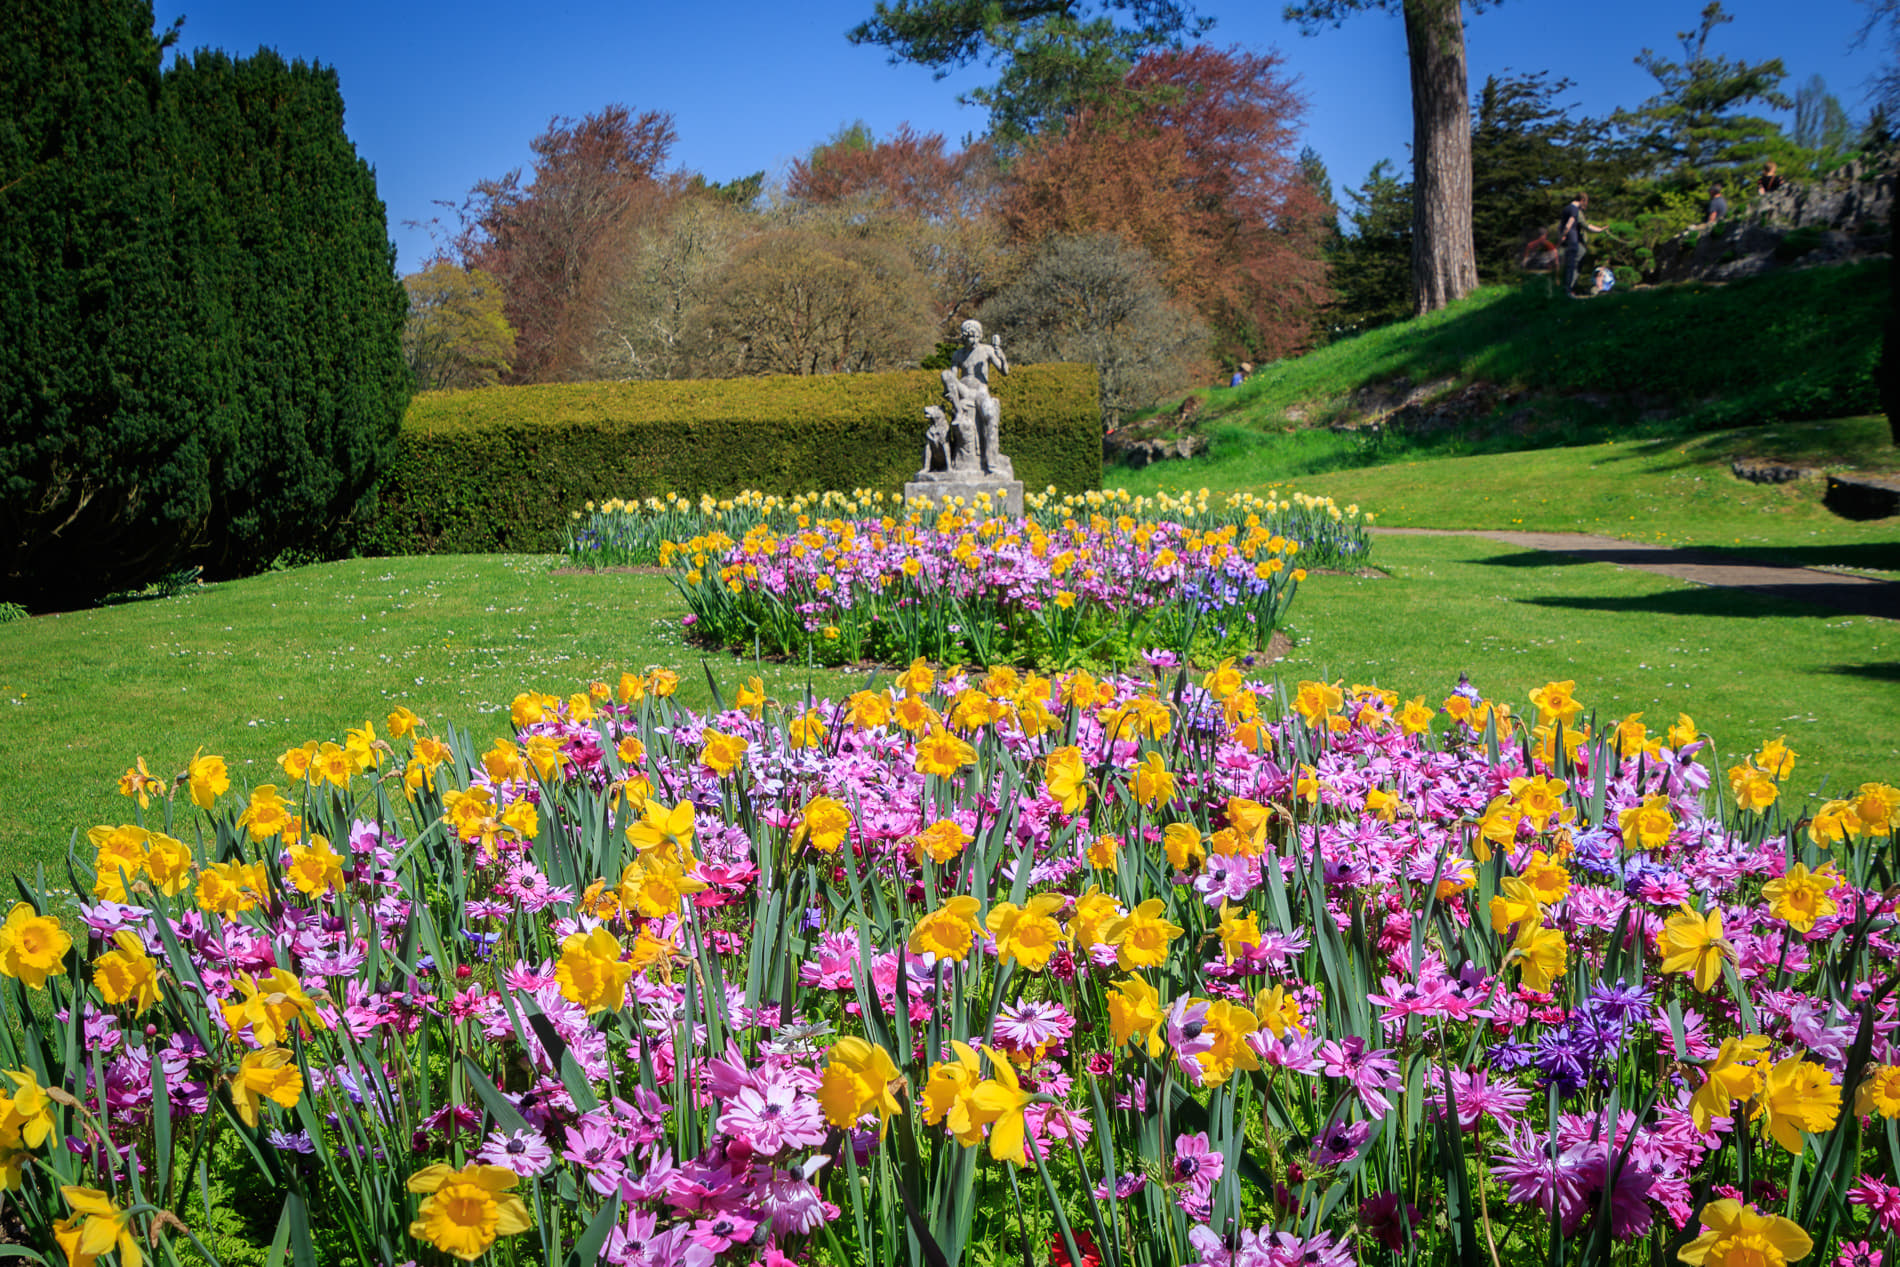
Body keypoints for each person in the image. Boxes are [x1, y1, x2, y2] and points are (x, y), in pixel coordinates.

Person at [1558, 193, 1604, 297]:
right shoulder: (1575, 210)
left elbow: (1561, 225)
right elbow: (1581, 225)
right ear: (1582, 200)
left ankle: (1568, 288)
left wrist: (1561, 237)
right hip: (1573, 241)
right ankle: (1568, 289)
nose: (1586, 205)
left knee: (1571, 265)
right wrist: (1564, 235)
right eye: (1586, 202)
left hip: (1571, 242)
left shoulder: (1567, 209)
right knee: (1573, 266)